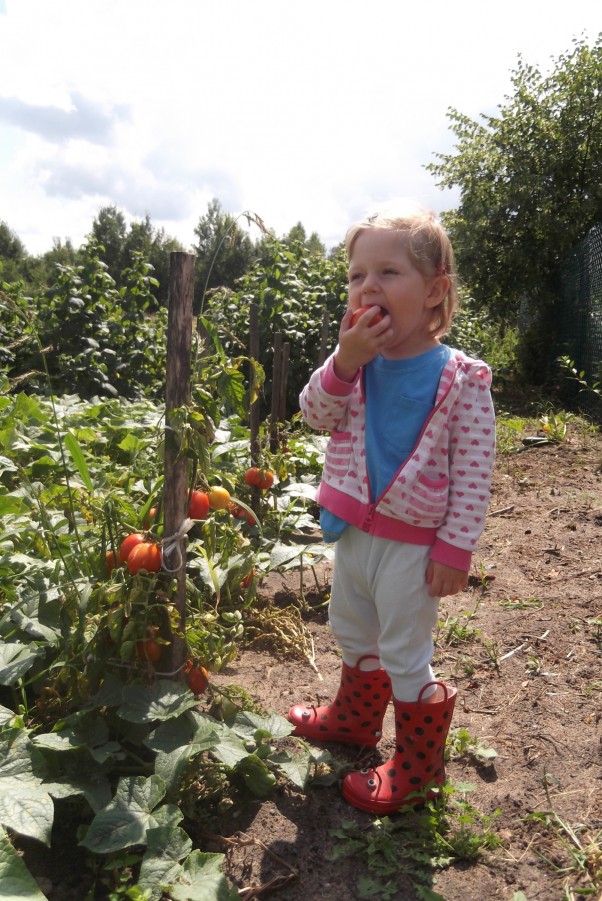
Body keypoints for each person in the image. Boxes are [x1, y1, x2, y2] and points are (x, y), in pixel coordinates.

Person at [287, 204, 495, 814]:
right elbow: (313, 415)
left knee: (406, 649)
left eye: (389, 272)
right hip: (354, 529)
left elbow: (475, 473)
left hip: (413, 543)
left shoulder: (460, 378)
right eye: (356, 275)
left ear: (435, 292)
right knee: (352, 626)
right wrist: (344, 360)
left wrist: (454, 550)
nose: (368, 286)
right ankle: (354, 720)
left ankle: (418, 766)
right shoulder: (355, 366)